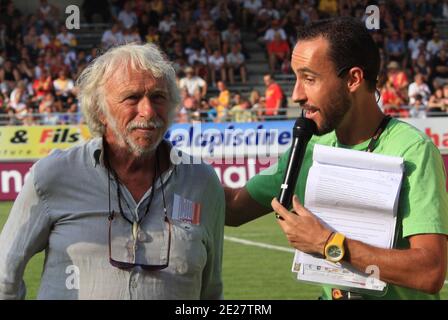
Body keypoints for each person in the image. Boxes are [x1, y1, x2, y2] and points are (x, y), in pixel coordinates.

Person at [225, 18, 448, 300]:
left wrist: (328, 243)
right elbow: (233, 208)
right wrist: (163, 161)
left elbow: (430, 271)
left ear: (353, 79)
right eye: (296, 78)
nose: (296, 95)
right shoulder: (308, 148)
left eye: (309, 78)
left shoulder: (413, 150)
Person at [0, 43, 224, 300]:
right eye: (132, 97)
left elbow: (211, 291)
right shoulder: (53, 176)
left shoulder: (201, 181)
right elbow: (4, 276)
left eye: (158, 97)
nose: (148, 111)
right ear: (100, 110)